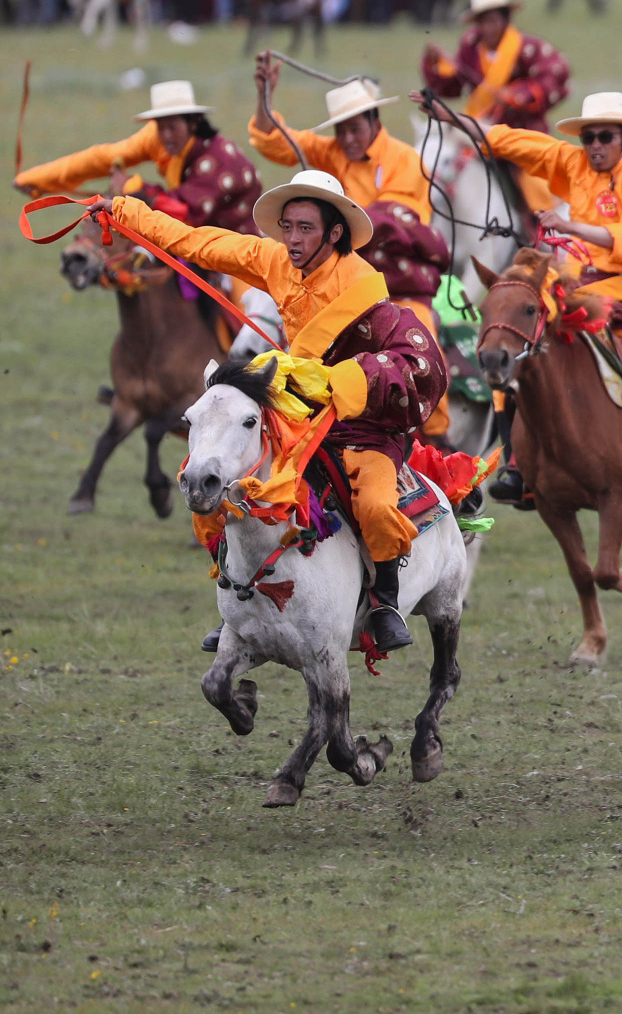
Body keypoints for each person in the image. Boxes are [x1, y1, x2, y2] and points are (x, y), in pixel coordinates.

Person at [83, 171, 447, 656]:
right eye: (287, 227)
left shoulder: (361, 285)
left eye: (305, 229)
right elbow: (200, 243)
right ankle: (238, 607)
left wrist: (339, 380)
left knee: (377, 506)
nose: (292, 240)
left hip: (359, 422)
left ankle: (384, 601)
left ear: (334, 233)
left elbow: (415, 362)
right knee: (224, 480)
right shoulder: (274, 259)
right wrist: (124, 213)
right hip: (296, 413)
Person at [415, 90, 622, 504]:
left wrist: (571, 228)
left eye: (606, 137)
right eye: (589, 136)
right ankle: (515, 465)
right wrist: (451, 119)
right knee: (510, 353)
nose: (595, 145)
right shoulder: (572, 163)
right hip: (569, 289)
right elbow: (506, 140)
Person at [247, 59, 451, 430]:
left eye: (355, 128)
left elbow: (391, 219)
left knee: (424, 342)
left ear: (375, 121)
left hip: (393, 286)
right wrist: (265, 96)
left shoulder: (404, 159)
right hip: (330, 283)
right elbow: (273, 141)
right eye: (341, 130)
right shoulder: (332, 152)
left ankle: (435, 438)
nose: (349, 139)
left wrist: (327, 226)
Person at [15, 81, 262, 235]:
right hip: (190, 236)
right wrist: (38, 179)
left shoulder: (220, 160)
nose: (165, 136)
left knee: (248, 312)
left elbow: (184, 213)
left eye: (173, 127)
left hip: (237, 241)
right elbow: (103, 158)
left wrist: (134, 188)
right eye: (160, 126)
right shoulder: (156, 137)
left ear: (193, 122)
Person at [419, 0, 573, 211]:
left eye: (492, 20)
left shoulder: (528, 48)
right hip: (477, 132)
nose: (487, 28)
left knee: (537, 190)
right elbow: (452, 85)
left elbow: (556, 75)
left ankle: (542, 232)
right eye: (482, 21)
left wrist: (518, 94)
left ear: (505, 19)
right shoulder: (470, 46)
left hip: (520, 134)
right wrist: (435, 65)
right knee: (441, 167)